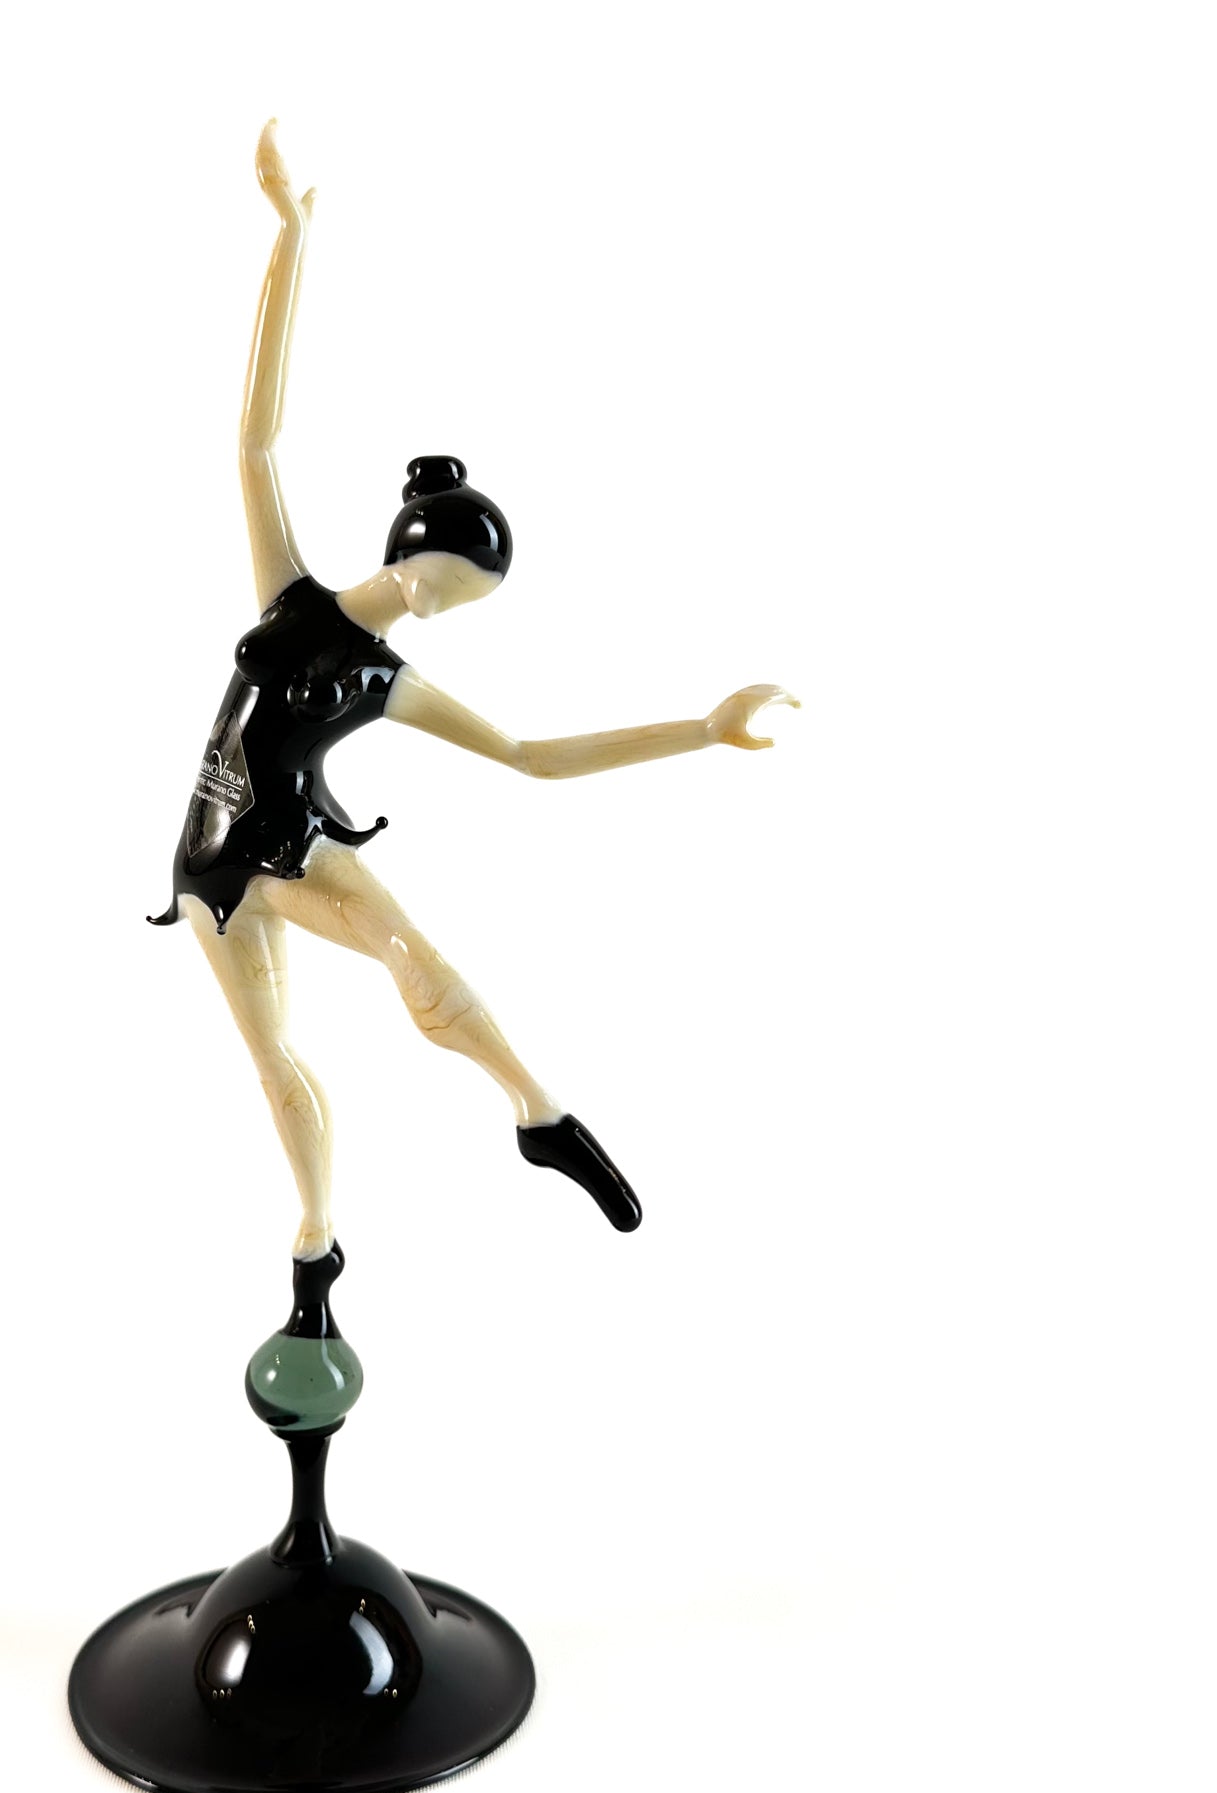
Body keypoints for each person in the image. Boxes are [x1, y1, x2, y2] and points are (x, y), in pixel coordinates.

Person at [154, 123, 798, 1263]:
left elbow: (528, 756)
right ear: (413, 554)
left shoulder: (386, 680)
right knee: (277, 1064)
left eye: (464, 599)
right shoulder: (291, 594)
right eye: (447, 585)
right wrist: (291, 237)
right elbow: (255, 443)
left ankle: (539, 1114)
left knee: (417, 963)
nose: (443, 609)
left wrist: (702, 731)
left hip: (296, 848)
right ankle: (316, 1246)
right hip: (206, 864)